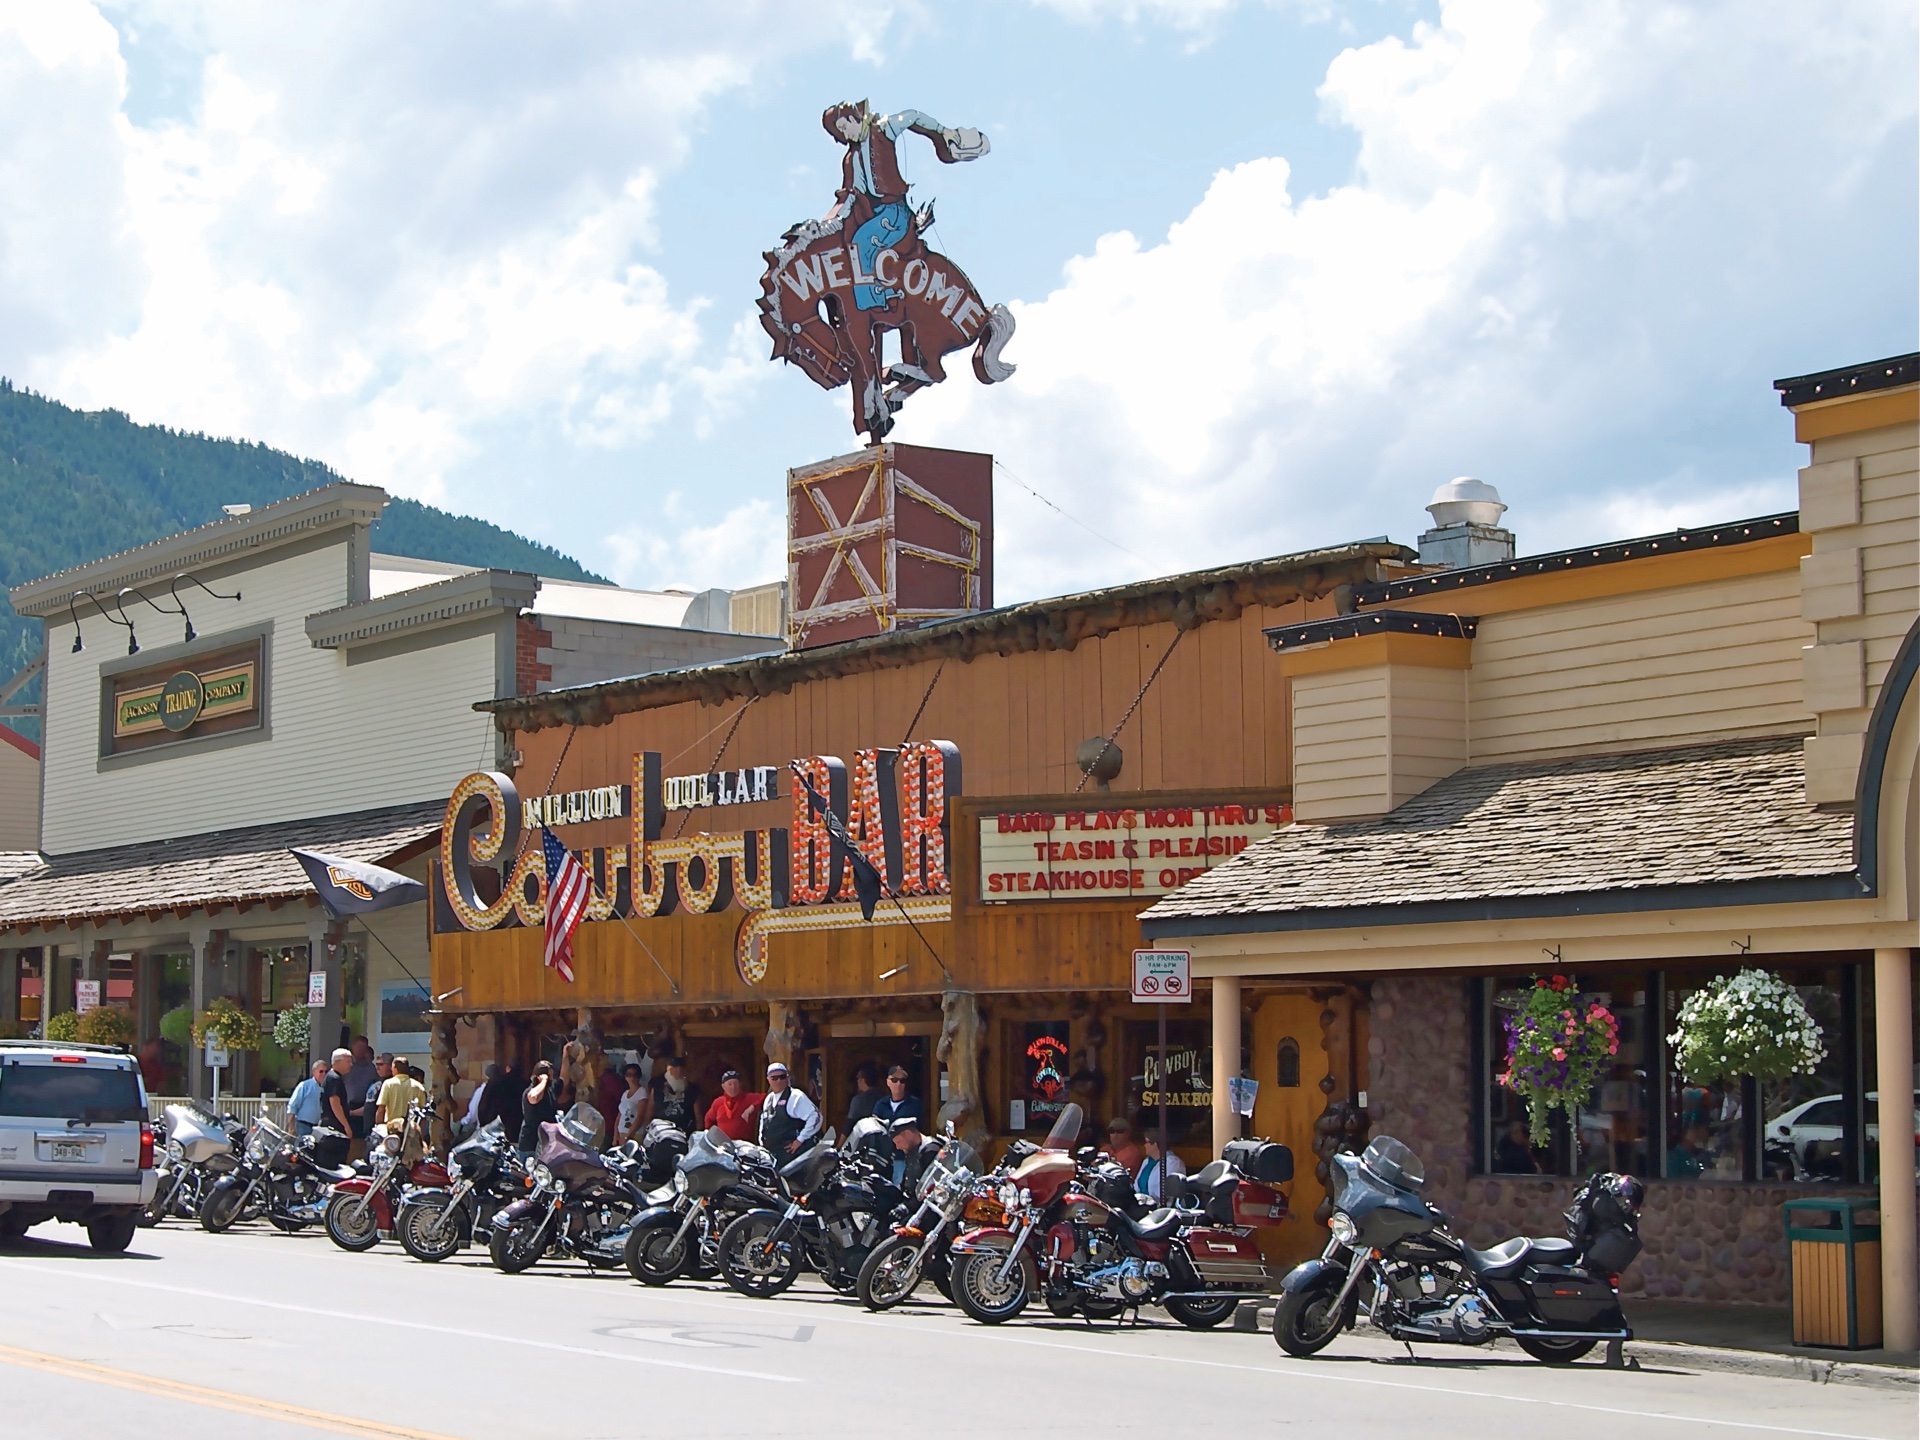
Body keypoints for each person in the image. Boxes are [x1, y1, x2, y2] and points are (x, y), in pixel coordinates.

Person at [758, 1062, 822, 1156]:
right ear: (768, 1079)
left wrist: (800, 1140)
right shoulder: (769, 1099)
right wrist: (761, 1143)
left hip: (791, 1155)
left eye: (782, 1077)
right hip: (771, 1154)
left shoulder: (796, 1096)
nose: (779, 1080)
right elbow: (764, 1122)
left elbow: (816, 1117)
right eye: (774, 1078)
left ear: (787, 1077)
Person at [704, 1070, 763, 1142]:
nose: (733, 1087)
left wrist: (752, 1107)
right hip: (723, 1146)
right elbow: (708, 1120)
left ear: (740, 1084)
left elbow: (765, 1097)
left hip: (744, 1145)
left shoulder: (748, 1098)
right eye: (730, 1084)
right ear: (723, 1086)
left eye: (735, 1083)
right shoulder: (718, 1102)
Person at [651, 1056, 702, 1134]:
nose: (678, 1071)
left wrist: (698, 1135)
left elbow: (698, 1118)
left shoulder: (692, 1089)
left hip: (683, 1133)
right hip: (660, 1133)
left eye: (681, 1068)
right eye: (675, 1068)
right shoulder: (657, 1088)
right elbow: (649, 1112)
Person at [479, 1060, 525, 1146]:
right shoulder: (525, 1085)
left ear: (508, 1068)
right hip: (517, 1131)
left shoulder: (495, 1082)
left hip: (496, 1129)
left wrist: (484, 1125)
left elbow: (483, 1105)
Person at [377, 1057, 429, 1130]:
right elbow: (423, 1114)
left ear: (395, 1068)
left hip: (392, 1129)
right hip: (411, 1129)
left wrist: (379, 1127)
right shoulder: (418, 1086)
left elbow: (381, 1109)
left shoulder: (388, 1084)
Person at [344, 1038, 378, 1146]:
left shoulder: (371, 1068)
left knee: (362, 1139)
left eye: (363, 1048)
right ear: (353, 1048)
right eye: (358, 1047)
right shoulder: (347, 1065)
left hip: (364, 1107)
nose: (360, 1050)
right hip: (348, 1106)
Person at [519, 1060, 559, 1154]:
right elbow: (534, 1097)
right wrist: (543, 1081)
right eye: (550, 1076)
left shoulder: (549, 1092)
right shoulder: (530, 1091)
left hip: (545, 1144)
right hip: (530, 1145)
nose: (552, 1079)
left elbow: (563, 1079)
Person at [1136, 1133, 1186, 1202]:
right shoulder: (1147, 1161)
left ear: (1155, 1144)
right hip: (1141, 1204)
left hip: (1160, 1207)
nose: (1144, 1145)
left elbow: (1166, 1193)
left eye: (1146, 1142)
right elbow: (1136, 1185)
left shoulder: (1173, 1163)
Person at [319, 1048, 355, 1140]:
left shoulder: (333, 1077)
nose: (351, 1065)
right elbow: (335, 1103)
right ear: (338, 1062)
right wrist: (346, 1125)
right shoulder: (333, 1079)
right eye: (348, 1062)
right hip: (334, 1126)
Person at [287, 1060, 327, 1138]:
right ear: (314, 1072)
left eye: (326, 1071)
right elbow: (293, 1106)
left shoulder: (327, 1088)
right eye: (321, 1071)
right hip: (303, 1126)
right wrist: (291, 1127)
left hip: (319, 1128)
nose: (324, 1074)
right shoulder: (305, 1086)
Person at [615, 1063, 648, 1145]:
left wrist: (628, 1136)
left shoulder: (642, 1092)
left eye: (635, 1075)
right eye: (629, 1075)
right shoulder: (625, 1094)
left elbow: (641, 1116)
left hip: (635, 1134)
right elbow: (619, 1116)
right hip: (622, 1133)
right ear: (625, 1076)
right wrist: (615, 1136)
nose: (632, 1077)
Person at [845, 1064, 879, 1128]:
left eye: (858, 1078)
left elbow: (849, 1124)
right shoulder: (884, 1098)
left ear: (863, 1080)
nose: (857, 1081)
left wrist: (841, 1138)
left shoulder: (858, 1100)